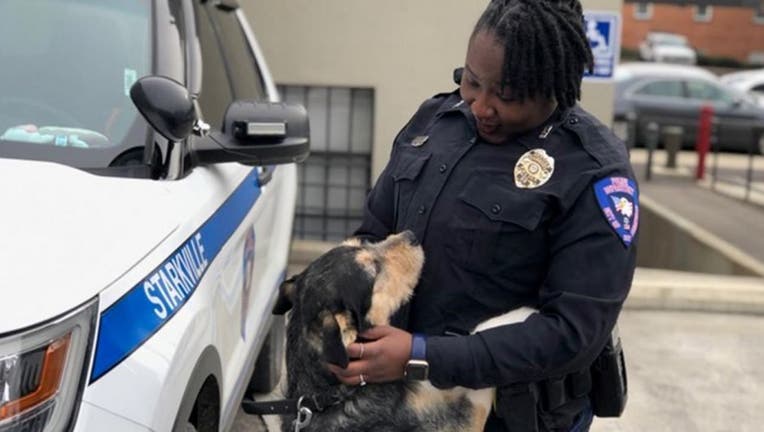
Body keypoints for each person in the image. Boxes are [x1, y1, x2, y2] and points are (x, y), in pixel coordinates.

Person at [327, 0, 638, 430]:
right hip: (398, 407)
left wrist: (420, 356)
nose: (480, 106)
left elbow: (573, 333)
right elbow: (373, 235)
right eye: (472, 81)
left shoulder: (593, 171)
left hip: (510, 418)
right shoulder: (434, 121)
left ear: (554, 86)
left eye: (506, 96)